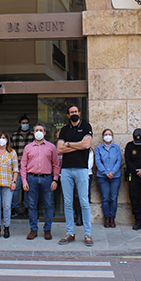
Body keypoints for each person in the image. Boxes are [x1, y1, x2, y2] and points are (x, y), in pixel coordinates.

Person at [57, 105, 94, 246]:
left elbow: (87, 145)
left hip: (82, 169)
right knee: (67, 202)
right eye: (71, 112)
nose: (74, 114)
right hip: (66, 170)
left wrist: (69, 144)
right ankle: (70, 233)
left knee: (84, 202)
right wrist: (78, 144)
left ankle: (87, 234)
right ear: (68, 115)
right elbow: (59, 148)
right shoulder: (64, 130)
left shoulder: (86, 126)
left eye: (76, 111)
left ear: (79, 113)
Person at [21, 123, 60, 240]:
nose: (39, 132)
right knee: (32, 205)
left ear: (45, 133)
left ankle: (47, 229)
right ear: (33, 133)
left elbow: (56, 164)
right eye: (36, 130)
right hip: (31, 178)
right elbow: (23, 165)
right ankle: (33, 229)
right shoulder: (27, 148)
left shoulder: (51, 147)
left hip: (47, 178)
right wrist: (24, 181)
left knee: (48, 205)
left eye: (41, 130)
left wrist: (55, 180)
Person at [95, 129, 122, 228]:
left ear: (112, 137)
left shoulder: (117, 148)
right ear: (103, 137)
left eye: (109, 134)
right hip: (103, 177)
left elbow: (119, 161)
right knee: (105, 198)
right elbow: (98, 162)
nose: (108, 136)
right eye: (106, 134)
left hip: (115, 177)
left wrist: (112, 172)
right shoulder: (99, 148)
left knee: (113, 198)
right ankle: (106, 218)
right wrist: (106, 173)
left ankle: (112, 218)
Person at [9, 115, 34, 217]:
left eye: (26, 123)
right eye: (23, 123)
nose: (25, 125)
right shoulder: (14, 136)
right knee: (16, 188)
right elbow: (10, 151)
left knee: (28, 188)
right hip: (18, 166)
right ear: (19, 124)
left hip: (30, 166)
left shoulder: (33, 136)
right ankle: (14, 208)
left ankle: (27, 208)